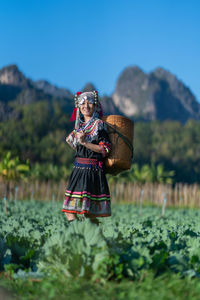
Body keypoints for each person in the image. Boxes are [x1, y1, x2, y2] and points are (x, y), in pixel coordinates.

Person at [61, 91, 112, 224]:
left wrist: (84, 142)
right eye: (82, 103)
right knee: (69, 210)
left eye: (89, 102)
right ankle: (78, 235)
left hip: (92, 171)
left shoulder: (99, 125)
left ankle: (92, 239)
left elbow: (105, 149)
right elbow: (77, 147)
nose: (86, 106)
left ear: (95, 106)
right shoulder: (79, 127)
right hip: (78, 170)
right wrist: (76, 143)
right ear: (78, 106)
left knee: (89, 213)